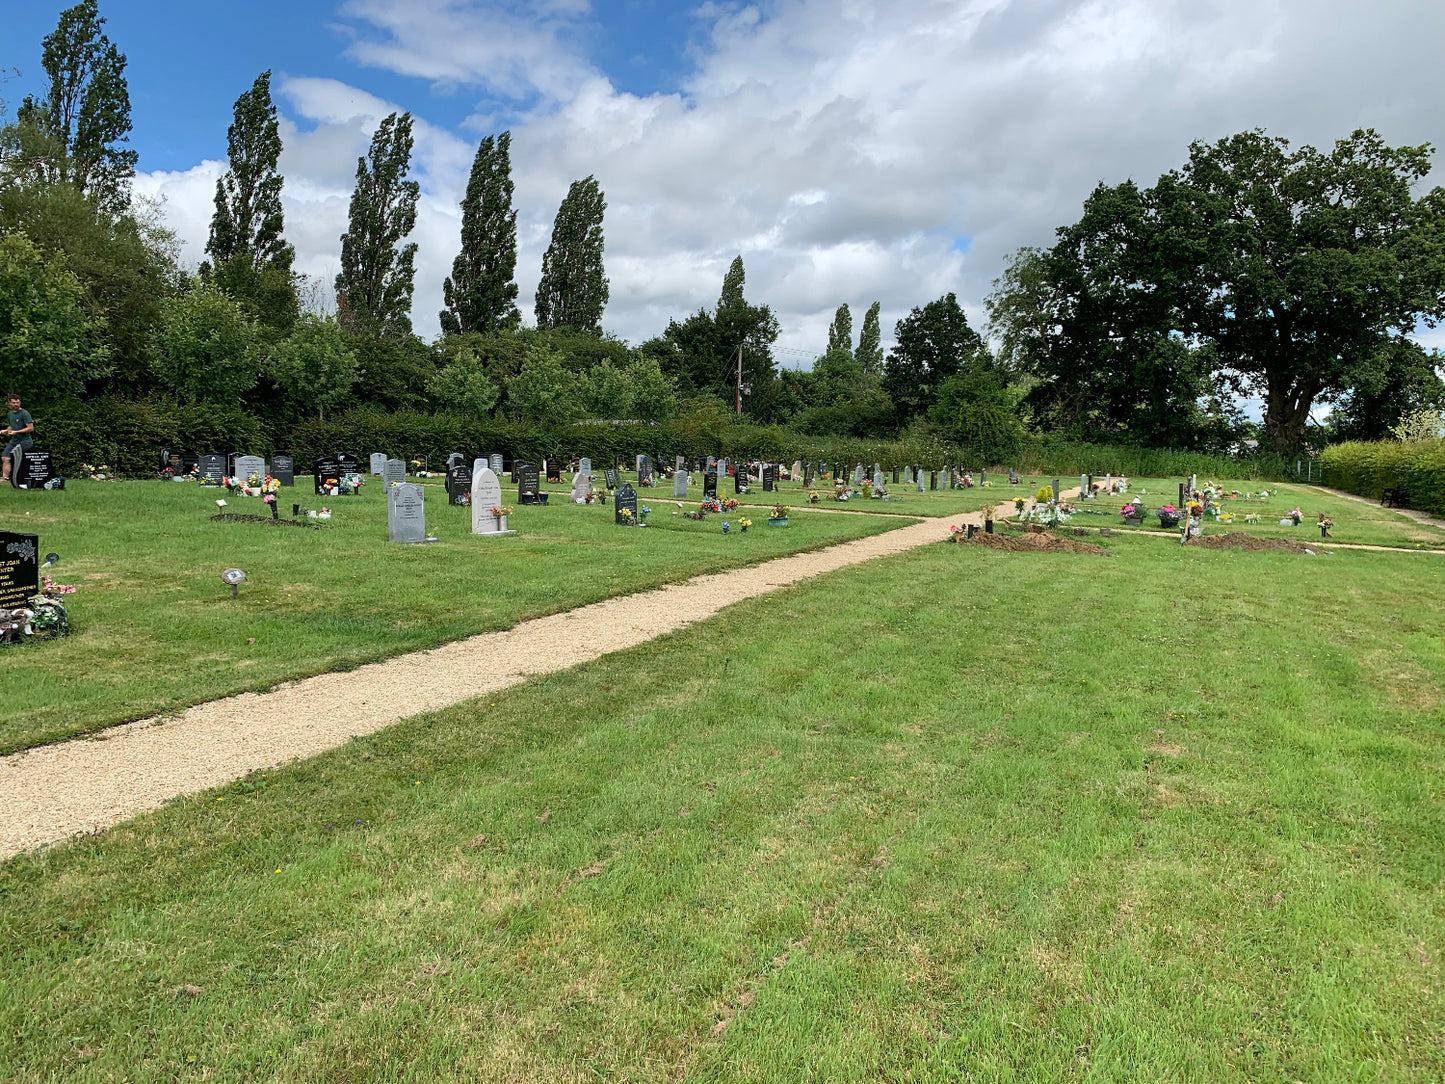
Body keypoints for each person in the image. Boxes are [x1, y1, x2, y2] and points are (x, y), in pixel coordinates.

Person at [2, 392, 34, 483]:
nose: (16, 404)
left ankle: (18, 478)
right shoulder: (10, 414)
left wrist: (17, 432)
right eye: (14, 403)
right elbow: (11, 426)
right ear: (9, 403)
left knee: (16, 459)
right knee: (5, 458)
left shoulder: (24, 413)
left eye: (18, 402)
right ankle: (5, 478)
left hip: (25, 441)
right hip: (14, 440)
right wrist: (6, 431)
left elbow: (30, 428)